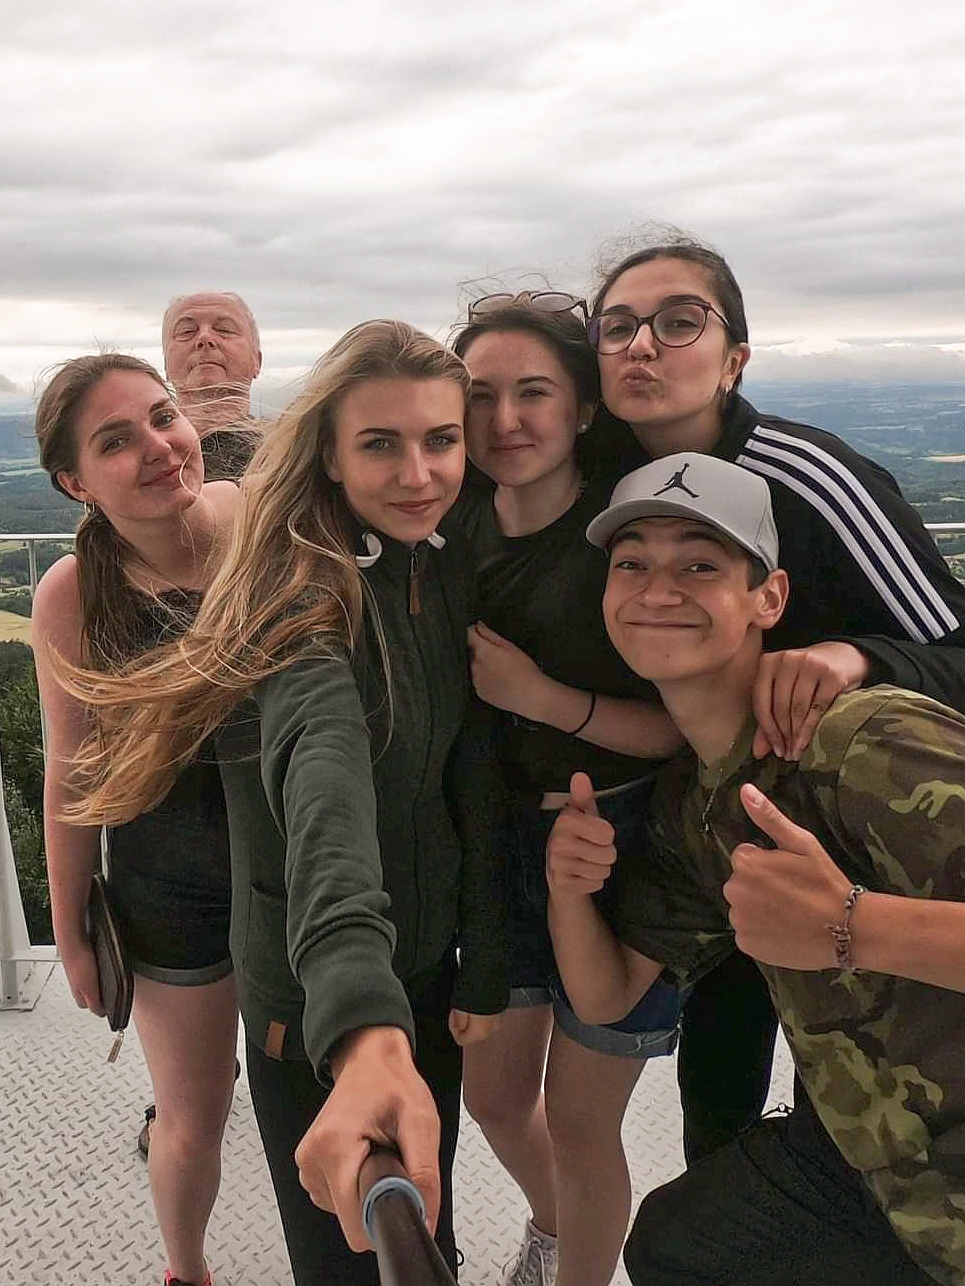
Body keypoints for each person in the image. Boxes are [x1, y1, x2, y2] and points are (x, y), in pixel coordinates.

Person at [61, 321, 507, 1286]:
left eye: (441, 440)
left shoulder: (445, 556)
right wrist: (360, 1023)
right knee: (334, 1238)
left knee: (425, 1221)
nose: (418, 473)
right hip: (310, 979)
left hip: (419, 959)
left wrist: (479, 960)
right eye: (379, 444)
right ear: (332, 458)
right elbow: (321, 781)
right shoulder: (299, 593)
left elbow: (463, 777)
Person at [587, 234, 965, 1162]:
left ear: (735, 360)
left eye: (680, 322)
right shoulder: (597, 476)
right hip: (712, 816)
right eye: (617, 327)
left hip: (858, 817)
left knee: (842, 1079)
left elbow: (955, 640)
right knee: (718, 1066)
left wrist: (857, 654)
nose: (642, 345)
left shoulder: (809, 477)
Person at [545, 451, 965, 1284]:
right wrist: (569, 888)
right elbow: (608, 996)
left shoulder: (862, 741)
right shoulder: (693, 805)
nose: (658, 591)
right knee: (676, 1243)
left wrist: (852, 927)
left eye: (699, 566)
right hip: (878, 1171)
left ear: (767, 599)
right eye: (632, 564)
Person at [448, 297, 681, 1286]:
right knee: (495, 1097)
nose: (504, 419)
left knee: (583, 1124)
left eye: (533, 392)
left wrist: (543, 699)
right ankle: (550, 1226)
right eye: (479, 395)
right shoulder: (449, 523)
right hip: (497, 841)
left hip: (620, 842)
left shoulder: (624, 538)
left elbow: (681, 728)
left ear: (583, 408)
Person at [32, 354, 241, 1286]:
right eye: (117, 441)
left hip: (293, 873)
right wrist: (73, 930)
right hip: (169, 886)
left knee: (310, 1100)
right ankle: (185, 1271)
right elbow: (73, 772)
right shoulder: (76, 593)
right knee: (191, 1118)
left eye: (163, 417)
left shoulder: (252, 523)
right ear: (75, 482)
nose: (158, 446)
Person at [162, 291, 263, 480]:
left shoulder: (290, 460)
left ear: (256, 361)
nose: (204, 338)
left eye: (225, 330)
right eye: (186, 332)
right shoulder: (147, 459)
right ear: (166, 365)